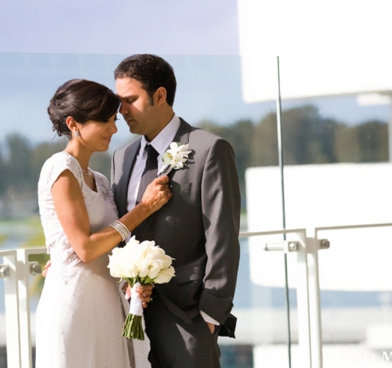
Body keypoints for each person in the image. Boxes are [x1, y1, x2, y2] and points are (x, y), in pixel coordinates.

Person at [111, 54, 241, 368]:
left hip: (188, 316)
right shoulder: (121, 157)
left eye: (130, 99)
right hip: (129, 312)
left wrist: (211, 314)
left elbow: (222, 235)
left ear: (160, 95)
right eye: (119, 101)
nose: (121, 110)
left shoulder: (209, 149)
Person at [35, 79, 171, 368]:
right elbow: (84, 249)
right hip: (73, 302)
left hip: (108, 302)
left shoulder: (101, 181)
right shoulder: (60, 169)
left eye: (114, 120)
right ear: (73, 123)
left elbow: (110, 245)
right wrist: (144, 209)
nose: (114, 129)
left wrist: (130, 282)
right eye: (105, 121)